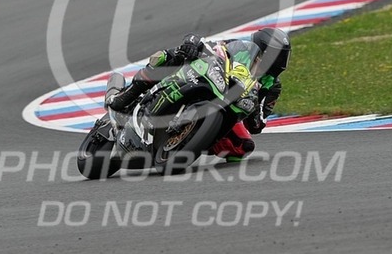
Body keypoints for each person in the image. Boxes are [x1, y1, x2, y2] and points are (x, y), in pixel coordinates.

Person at [107, 28, 291, 162]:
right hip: (210, 80)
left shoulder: (272, 86)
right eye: (276, 56)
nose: (279, 61)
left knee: (243, 147)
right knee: (171, 55)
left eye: (282, 57)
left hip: (231, 107)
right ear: (262, 50)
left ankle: (194, 139)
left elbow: (258, 124)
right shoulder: (239, 48)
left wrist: (255, 111)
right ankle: (127, 95)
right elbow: (207, 44)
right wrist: (192, 44)